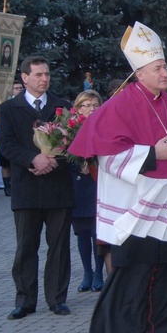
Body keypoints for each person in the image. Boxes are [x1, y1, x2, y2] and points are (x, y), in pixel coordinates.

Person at [69, 21, 167, 333]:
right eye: (158, 68)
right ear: (140, 73)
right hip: (138, 204)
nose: (166, 72)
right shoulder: (119, 106)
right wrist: (151, 154)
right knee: (137, 274)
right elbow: (105, 155)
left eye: (164, 66)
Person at [0, 56, 73, 319]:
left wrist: (53, 159)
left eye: (47, 74)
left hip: (58, 187)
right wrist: (33, 158)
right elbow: (5, 144)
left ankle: (57, 298)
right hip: (26, 188)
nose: (44, 79)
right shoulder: (9, 109)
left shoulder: (62, 107)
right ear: (25, 78)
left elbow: (73, 141)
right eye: (38, 74)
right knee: (26, 246)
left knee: (59, 247)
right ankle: (25, 300)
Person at [70, 90, 105, 293]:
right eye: (86, 105)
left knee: (96, 232)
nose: (91, 109)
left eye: (95, 105)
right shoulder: (71, 128)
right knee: (82, 233)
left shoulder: (104, 126)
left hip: (97, 183)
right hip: (78, 185)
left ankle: (99, 272)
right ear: (78, 108)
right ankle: (87, 272)